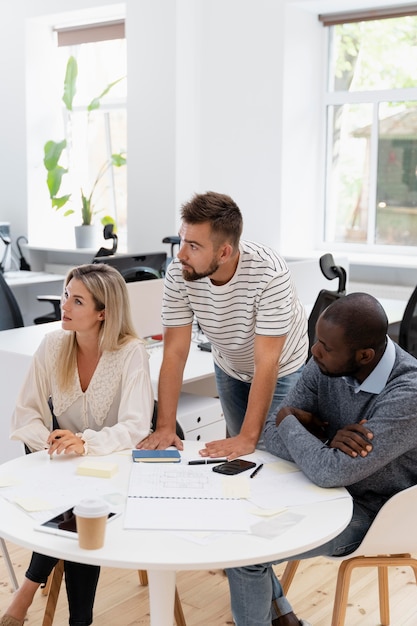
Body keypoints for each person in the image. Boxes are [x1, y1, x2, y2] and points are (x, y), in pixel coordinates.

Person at [225, 292, 417, 626]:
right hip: (316, 492)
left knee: (244, 556)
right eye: (317, 340)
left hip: (372, 512)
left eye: (325, 347)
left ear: (365, 355)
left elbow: (328, 469)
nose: (314, 352)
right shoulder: (325, 362)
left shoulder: (408, 392)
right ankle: (284, 617)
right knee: (232, 528)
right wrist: (327, 441)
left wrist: (289, 419)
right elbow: (269, 437)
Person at [0, 263, 153, 626]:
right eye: (66, 295)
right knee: (76, 505)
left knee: (84, 505)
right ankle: (79, 619)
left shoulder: (131, 351)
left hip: (113, 464)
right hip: (62, 463)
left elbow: (135, 426)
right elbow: (26, 416)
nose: (64, 305)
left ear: (103, 313)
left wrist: (84, 443)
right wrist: (53, 443)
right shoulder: (53, 344)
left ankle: (27, 592)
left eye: (77, 300)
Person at [137, 191, 308, 460]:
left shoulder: (270, 273)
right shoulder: (179, 272)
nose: (181, 254)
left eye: (193, 246)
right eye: (182, 240)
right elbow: (174, 353)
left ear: (224, 252)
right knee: (236, 453)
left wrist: (249, 438)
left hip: (282, 367)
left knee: (269, 453)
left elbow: (267, 361)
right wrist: (166, 428)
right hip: (229, 362)